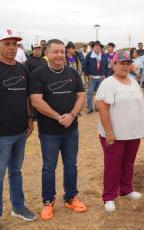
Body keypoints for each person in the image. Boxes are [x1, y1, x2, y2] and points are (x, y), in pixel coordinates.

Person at [0, 29, 36, 230]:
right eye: (7, 44)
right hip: (0, 136)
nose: (12, 48)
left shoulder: (22, 69)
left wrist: (30, 118)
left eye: (15, 44)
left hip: (20, 132)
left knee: (16, 172)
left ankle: (18, 207)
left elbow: (27, 97)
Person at [29, 39, 87, 220]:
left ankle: (70, 197)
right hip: (49, 132)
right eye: (55, 52)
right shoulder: (38, 74)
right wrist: (58, 117)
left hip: (71, 130)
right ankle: (48, 201)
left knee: (71, 164)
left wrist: (71, 115)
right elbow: (36, 100)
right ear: (47, 53)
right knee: (49, 167)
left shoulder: (72, 73)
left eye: (62, 52)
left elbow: (81, 95)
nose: (60, 55)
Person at [95, 50, 144, 212]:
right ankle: (109, 196)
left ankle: (126, 189)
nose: (125, 66)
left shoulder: (133, 82)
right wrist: (109, 132)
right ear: (114, 64)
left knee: (128, 163)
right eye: (122, 63)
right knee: (113, 166)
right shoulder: (108, 83)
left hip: (132, 133)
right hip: (114, 134)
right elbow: (102, 108)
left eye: (128, 63)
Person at [84, 40, 108, 114]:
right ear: (93, 47)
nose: (97, 47)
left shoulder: (103, 55)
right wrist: (88, 74)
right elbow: (85, 65)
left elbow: (106, 66)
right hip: (92, 78)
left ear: (101, 48)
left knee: (100, 94)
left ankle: (97, 107)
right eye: (96, 46)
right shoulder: (89, 55)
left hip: (101, 78)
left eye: (99, 46)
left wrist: (105, 74)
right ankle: (90, 108)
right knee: (90, 93)